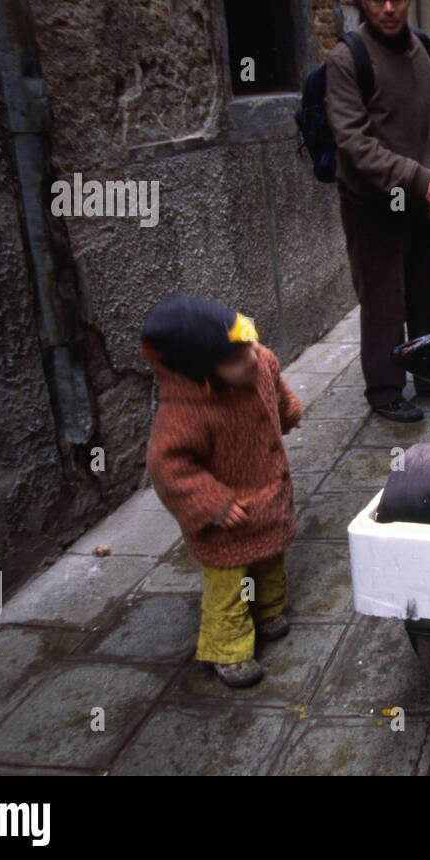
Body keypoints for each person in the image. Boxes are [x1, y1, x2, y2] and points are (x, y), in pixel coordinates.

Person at [325, 0, 430, 423]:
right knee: (384, 300)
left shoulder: (420, 45)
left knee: (427, 293)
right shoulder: (347, 59)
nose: (388, 9)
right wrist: (418, 177)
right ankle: (385, 391)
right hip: (371, 205)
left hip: (419, 200)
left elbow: (429, 121)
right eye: (377, 0)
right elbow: (353, 143)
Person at [141, 294, 303, 689]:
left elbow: (274, 385)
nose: (250, 357)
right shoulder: (185, 412)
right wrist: (210, 502)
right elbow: (168, 468)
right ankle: (228, 649)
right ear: (201, 371)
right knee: (229, 587)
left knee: (270, 561)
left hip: (269, 495)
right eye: (234, 358)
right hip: (228, 516)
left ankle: (268, 611)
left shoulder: (257, 361)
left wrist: (287, 409)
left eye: (249, 344)